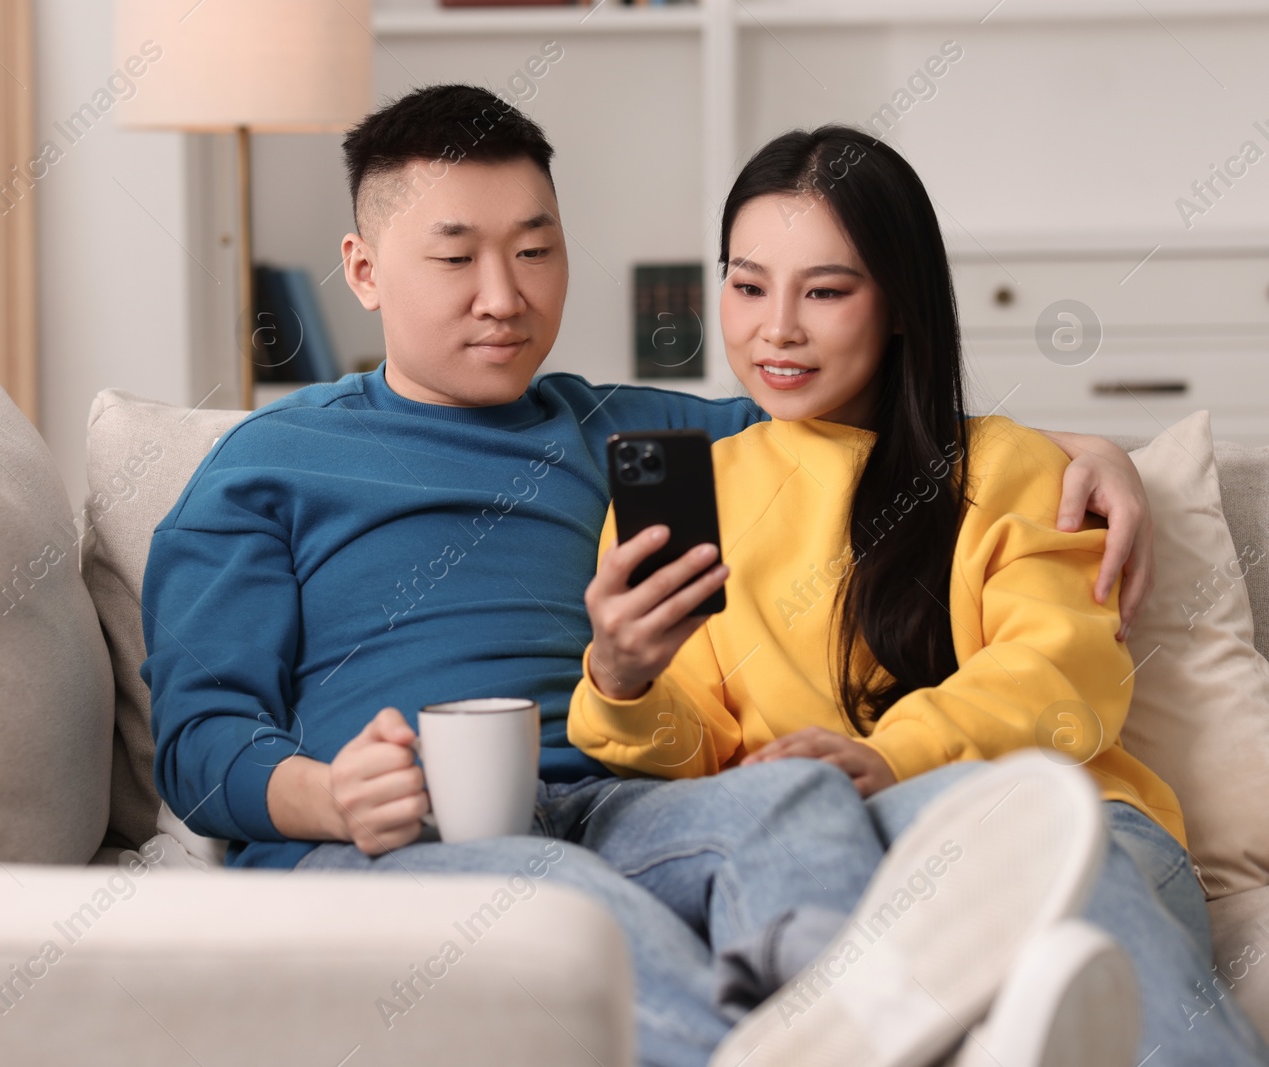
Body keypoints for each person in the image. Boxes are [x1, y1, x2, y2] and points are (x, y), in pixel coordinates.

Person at [140, 85, 1159, 1067]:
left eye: (536, 250)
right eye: (456, 257)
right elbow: (199, 739)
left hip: (616, 804)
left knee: (793, 801)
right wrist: (327, 795)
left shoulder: (623, 431)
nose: (505, 296)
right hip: (395, 831)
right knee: (568, 909)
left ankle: (859, 1020)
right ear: (362, 270)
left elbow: (857, 412)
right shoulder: (263, 466)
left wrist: (1092, 453)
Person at [569, 124, 1269, 1065]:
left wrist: (892, 757)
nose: (776, 327)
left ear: (898, 302)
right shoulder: (696, 493)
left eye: (825, 290)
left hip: (1067, 818)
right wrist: (621, 679)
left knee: (1080, 902)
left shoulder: (1019, 467)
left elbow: (1058, 677)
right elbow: (701, 757)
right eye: (746, 285)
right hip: (849, 850)